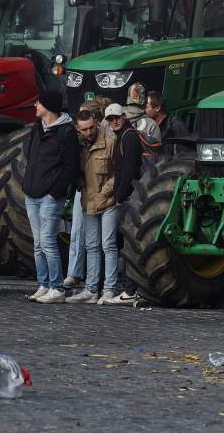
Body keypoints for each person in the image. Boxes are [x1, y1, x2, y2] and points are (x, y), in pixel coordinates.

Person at [23, 89, 80, 304]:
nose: (35, 106)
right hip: (32, 193)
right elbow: (30, 157)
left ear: (48, 105)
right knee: (38, 243)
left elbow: (70, 167)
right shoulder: (36, 129)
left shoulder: (66, 133)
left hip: (49, 196)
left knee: (47, 241)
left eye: (38, 102)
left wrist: (54, 192)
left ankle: (57, 289)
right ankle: (44, 284)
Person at [67, 109, 119, 304]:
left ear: (96, 123)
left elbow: (119, 172)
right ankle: (91, 289)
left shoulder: (110, 142)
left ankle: (109, 289)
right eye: (84, 130)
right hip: (88, 202)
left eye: (91, 127)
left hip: (108, 202)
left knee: (108, 245)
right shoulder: (78, 146)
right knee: (91, 246)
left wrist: (105, 192)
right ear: (78, 129)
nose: (89, 132)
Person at [100, 103, 144, 305]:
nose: (114, 121)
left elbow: (128, 171)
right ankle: (128, 287)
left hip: (129, 197)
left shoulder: (129, 137)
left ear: (124, 117)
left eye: (117, 117)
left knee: (126, 244)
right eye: (110, 119)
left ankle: (131, 289)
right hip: (126, 195)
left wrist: (119, 197)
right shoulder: (123, 136)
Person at [64, 99, 106, 289]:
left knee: (100, 240)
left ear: (95, 119)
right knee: (78, 233)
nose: (85, 131)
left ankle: (95, 279)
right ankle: (74, 273)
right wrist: (80, 185)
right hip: (84, 190)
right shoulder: (77, 140)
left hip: (102, 191)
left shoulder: (106, 138)